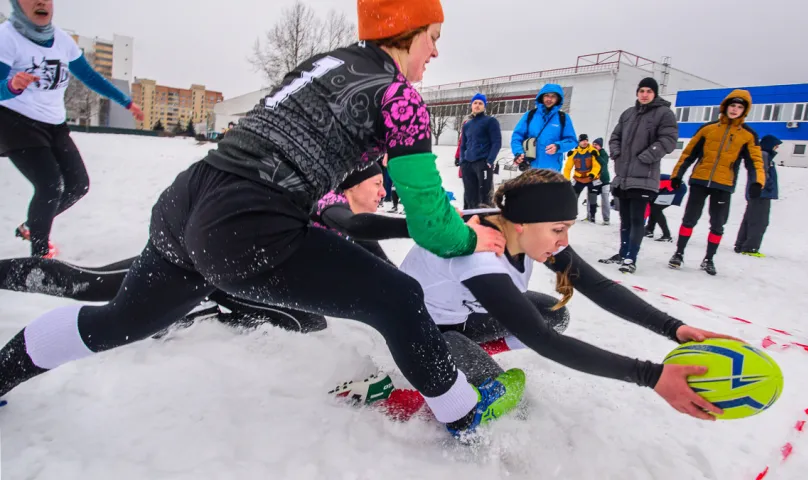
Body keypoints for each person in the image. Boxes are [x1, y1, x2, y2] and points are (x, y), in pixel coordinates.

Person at [0, 0, 525, 438]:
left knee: (118, 320)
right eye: (433, 36)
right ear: (404, 33)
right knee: (399, 298)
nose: (436, 51)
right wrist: (469, 238)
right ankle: (463, 413)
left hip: (188, 200)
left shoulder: (328, 63)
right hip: (249, 223)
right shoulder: (400, 97)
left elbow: (305, 139)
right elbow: (433, 226)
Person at [339, 169, 740, 422]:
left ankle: (468, 358)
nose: (563, 241)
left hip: (460, 321)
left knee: (552, 311)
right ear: (521, 225)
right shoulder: (475, 253)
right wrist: (652, 377)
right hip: (417, 332)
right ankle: (409, 385)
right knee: (499, 399)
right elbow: (542, 341)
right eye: (558, 229)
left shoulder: (524, 229)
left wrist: (676, 329)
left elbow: (598, 286)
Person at [0, 162, 403, 335]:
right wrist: (420, 227)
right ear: (351, 186)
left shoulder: (346, 217)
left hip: (213, 261)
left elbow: (388, 275)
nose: (383, 191)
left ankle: (207, 306)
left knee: (101, 285)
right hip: (209, 260)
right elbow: (356, 226)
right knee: (96, 286)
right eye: (376, 184)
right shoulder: (330, 206)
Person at [0, 0, 144, 259]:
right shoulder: (7, 38)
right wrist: (10, 85)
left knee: (78, 185)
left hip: (54, 124)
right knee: (50, 185)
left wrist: (127, 102)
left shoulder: (62, 41)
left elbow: (90, 77)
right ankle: (40, 258)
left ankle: (32, 226)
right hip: (15, 122)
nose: (41, 2)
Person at [668, 90, 765, 276]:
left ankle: (709, 259)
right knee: (689, 219)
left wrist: (757, 182)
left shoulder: (748, 135)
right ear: (725, 106)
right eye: (732, 105)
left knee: (718, 224)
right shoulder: (708, 129)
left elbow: (755, 162)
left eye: (739, 107)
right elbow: (688, 154)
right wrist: (677, 175)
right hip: (699, 181)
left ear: (744, 111)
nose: (735, 110)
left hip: (723, 184)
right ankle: (678, 253)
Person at [601, 78, 678, 274]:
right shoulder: (628, 114)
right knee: (625, 219)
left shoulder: (664, 113)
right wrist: (616, 152)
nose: (644, 94)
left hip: (645, 176)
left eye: (649, 91)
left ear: (655, 94)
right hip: (623, 176)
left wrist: (646, 156)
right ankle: (622, 251)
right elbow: (615, 137)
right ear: (637, 92)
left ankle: (630, 257)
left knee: (637, 219)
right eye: (642, 90)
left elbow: (669, 140)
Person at [510, 84, 577, 173]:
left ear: (558, 99)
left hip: (551, 172)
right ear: (541, 97)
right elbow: (517, 137)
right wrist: (519, 153)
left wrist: (558, 146)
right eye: (546, 95)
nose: (549, 99)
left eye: (553, 96)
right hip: (530, 170)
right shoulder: (530, 115)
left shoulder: (563, 117)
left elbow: (572, 140)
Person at [735, 135, 781, 257]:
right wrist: (769, 187)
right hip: (761, 193)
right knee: (759, 221)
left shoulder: (761, 155)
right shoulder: (764, 156)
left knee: (749, 219)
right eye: (776, 146)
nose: (777, 148)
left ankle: (741, 245)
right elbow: (763, 174)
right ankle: (750, 248)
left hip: (756, 192)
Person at [459, 93, 501, 208]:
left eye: (480, 103)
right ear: (471, 105)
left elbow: (496, 142)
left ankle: (486, 220)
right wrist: (462, 161)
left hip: (483, 163)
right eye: (475, 103)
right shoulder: (467, 125)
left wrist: (490, 160)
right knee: (469, 195)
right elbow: (463, 145)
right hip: (468, 164)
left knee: (485, 195)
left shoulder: (490, 121)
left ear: (484, 106)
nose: (477, 105)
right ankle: (469, 220)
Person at [562, 134, 601, 222]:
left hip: (591, 178)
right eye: (583, 141)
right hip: (579, 178)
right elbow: (567, 168)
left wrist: (592, 174)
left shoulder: (593, 151)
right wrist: (566, 179)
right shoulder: (574, 153)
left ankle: (592, 216)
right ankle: (572, 214)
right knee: (573, 196)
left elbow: (597, 165)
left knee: (592, 197)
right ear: (579, 142)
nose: (585, 142)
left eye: (586, 140)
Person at [645, 174, 687, 242]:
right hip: (670, 187)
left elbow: (647, 208)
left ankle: (666, 235)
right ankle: (649, 230)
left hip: (677, 189)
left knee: (656, 209)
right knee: (653, 206)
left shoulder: (650, 183)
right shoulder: (647, 182)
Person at [589, 137, 612, 225]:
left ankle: (606, 218)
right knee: (591, 197)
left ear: (600, 146)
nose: (594, 146)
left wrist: (597, 156)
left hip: (604, 180)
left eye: (596, 145)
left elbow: (603, 163)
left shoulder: (603, 153)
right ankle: (590, 216)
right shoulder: (591, 152)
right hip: (594, 179)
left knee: (605, 199)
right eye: (593, 144)